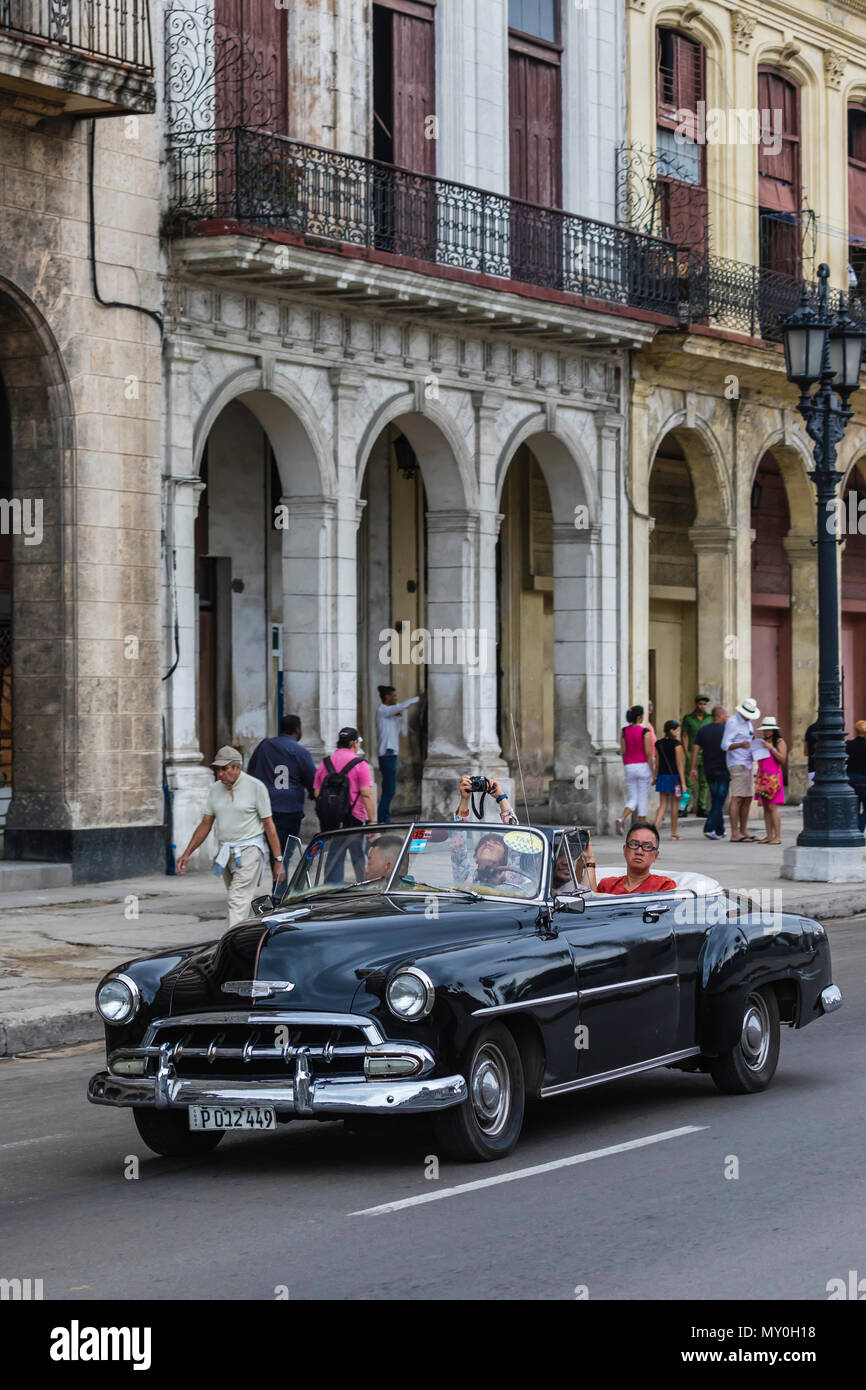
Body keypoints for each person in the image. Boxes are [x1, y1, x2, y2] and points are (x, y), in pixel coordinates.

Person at [176, 746, 286, 926]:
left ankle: (231, 948)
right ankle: (253, 933)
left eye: (224, 768)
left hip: (250, 851)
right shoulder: (214, 790)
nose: (220, 773)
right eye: (217, 769)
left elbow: (269, 826)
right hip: (226, 851)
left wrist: (278, 860)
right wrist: (187, 853)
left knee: (237, 899)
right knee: (241, 900)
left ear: (237, 767)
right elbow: (206, 824)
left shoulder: (256, 787)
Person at [247, 714, 315, 870]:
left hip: (267, 806)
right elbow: (311, 780)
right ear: (297, 730)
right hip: (291, 808)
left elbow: (252, 772)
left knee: (275, 850)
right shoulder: (300, 751)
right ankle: (280, 889)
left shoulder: (264, 746)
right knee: (285, 852)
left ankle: (279, 887)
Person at [314, 727, 376, 883]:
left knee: (334, 856)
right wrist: (372, 822)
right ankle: (365, 888)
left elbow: (317, 793)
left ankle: (331, 891)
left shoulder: (325, 763)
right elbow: (367, 794)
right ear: (354, 743)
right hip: (354, 817)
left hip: (332, 820)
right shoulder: (360, 764)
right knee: (359, 856)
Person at [375, 685, 421, 822]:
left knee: (389, 789)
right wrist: (417, 699)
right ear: (387, 697)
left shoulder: (390, 714)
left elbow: (402, 729)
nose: (396, 698)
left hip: (391, 754)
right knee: (389, 790)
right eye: (394, 696)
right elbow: (399, 707)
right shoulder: (382, 710)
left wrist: (400, 717)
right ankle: (382, 819)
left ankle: (383, 818)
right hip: (386, 754)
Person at [596, 823, 676, 895]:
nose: (639, 851)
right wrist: (589, 860)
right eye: (634, 844)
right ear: (624, 850)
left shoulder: (664, 886)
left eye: (647, 846)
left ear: (655, 856)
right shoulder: (607, 886)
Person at [722, 697, 760, 843]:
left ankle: (743, 830)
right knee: (737, 797)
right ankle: (735, 832)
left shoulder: (748, 723)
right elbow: (725, 745)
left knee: (748, 797)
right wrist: (740, 745)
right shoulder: (733, 722)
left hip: (748, 762)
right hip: (737, 763)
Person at [692, 705, 729, 839]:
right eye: (726, 715)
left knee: (716, 799)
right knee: (720, 800)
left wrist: (693, 768)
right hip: (723, 769)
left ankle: (720, 830)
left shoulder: (703, 730)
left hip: (708, 769)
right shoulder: (726, 730)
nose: (727, 717)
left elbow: (695, 749)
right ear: (720, 716)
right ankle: (709, 827)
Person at [616, 705, 654, 836]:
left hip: (629, 766)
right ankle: (642, 827)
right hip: (642, 766)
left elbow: (624, 751)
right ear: (640, 717)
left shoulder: (624, 731)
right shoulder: (645, 732)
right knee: (642, 797)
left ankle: (622, 818)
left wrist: (626, 764)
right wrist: (653, 772)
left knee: (634, 797)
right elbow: (648, 753)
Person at [754, 716, 787, 844]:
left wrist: (771, 748)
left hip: (774, 777)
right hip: (763, 777)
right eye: (764, 729)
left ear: (773, 730)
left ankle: (777, 837)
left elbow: (782, 759)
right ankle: (769, 835)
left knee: (772, 807)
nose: (766, 732)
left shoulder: (779, 742)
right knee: (766, 807)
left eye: (768, 729)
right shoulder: (761, 742)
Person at [653, 719, 687, 840]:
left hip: (662, 777)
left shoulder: (658, 743)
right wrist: (683, 782)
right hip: (675, 779)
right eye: (677, 729)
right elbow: (679, 764)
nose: (678, 731)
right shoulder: (676, 744)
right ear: (671, 730)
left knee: (662, 804)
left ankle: (654, 830)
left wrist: (655, 777)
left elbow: (656, 763)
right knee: (674, 806)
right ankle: (673, 833)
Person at [681, 696, 711, 816]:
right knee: (688, 783)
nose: (702, 706)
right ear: (696, 704)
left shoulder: (710, 718)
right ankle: (683, 807)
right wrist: (685, 752)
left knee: (704, 782)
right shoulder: (688, 718)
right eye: (700, 704)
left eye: (704, 704)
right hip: (691, 753)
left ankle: (701, 808)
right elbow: (684, 735)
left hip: (706, 753)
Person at [845, 719, 866, 832]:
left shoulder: (849, 744)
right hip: (864, 780)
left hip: (851, 779)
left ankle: (856, 828)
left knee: (855, 807)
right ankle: (860, 828)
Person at [804, 718, 819, 791]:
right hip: (829, 769)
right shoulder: (832, 728)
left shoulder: (810, 728)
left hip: (812, 766)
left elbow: (806, 752)